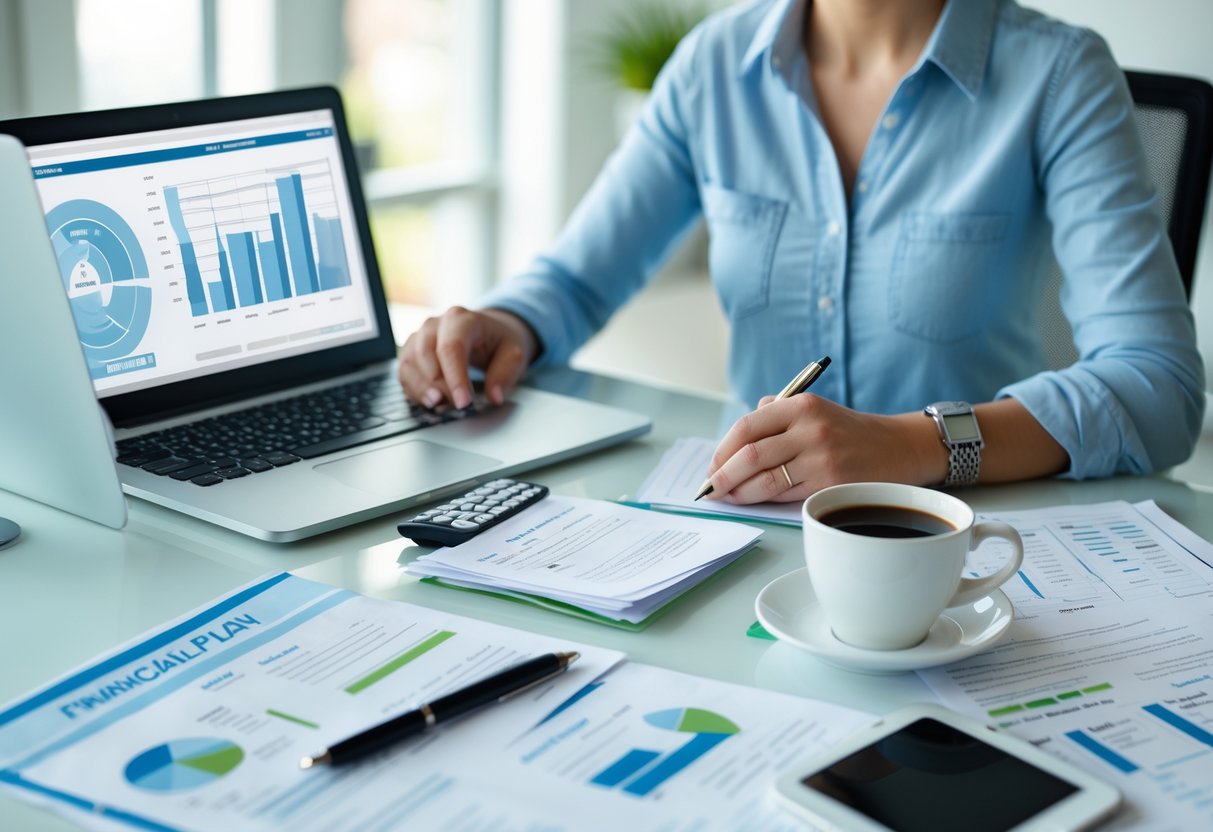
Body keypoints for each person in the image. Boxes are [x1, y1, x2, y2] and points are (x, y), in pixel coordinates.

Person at [397, 0, 1205, 505]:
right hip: (743, 524)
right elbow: (574, 279)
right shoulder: (712, 68)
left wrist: (910, 445)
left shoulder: (1058, 73)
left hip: (966, 541)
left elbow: (1157, 388)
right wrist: (504, 323)